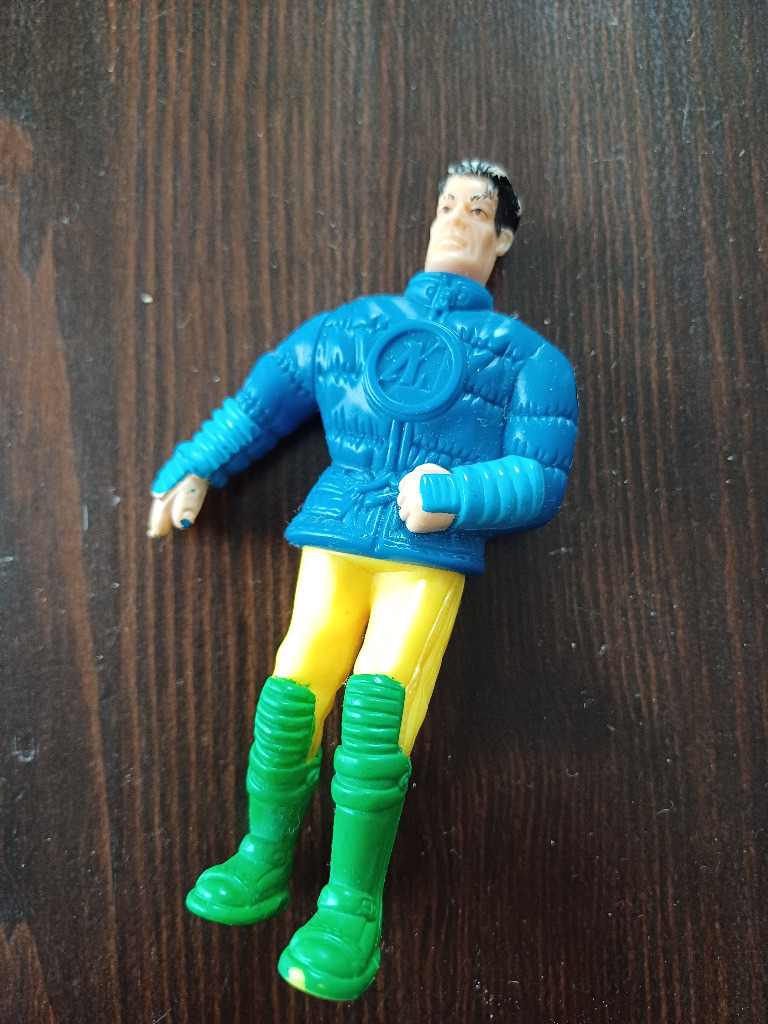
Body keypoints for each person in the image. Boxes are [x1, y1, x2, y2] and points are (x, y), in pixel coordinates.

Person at [148, 159, 578, 1000]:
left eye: (477, 211)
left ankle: (351, 908)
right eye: (447, 204)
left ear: (502, 239)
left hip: (426, 559)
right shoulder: (352, 326)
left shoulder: (530, 359)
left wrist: (456, 495)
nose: (456, 220)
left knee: (379, 714)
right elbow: (266, 399)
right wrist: (196, 464)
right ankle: (262, 855)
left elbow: (541, 477)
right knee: (291, 692)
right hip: (339, 531)